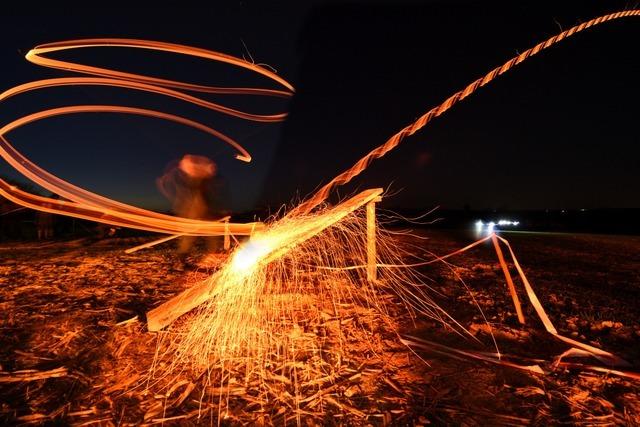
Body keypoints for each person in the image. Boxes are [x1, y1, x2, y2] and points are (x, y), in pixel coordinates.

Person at [157, 154, 220, 255]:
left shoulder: (200, 182)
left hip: (200, 208)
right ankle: (183, 253)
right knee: (193, 232)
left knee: (208, 230)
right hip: (196, 209)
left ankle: (208, 252)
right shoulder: (194, 182)